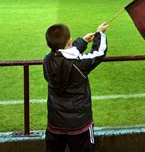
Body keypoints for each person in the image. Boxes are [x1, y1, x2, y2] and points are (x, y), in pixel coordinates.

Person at [43, 22, 109, 152]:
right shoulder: (79, 65)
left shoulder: (47, 60)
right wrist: (99, 34)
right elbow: (99, 53)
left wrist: (83, 41)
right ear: (69, 41)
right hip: (80, 124)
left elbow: (64, 55)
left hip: (55, 122)